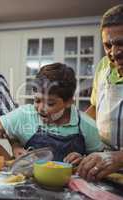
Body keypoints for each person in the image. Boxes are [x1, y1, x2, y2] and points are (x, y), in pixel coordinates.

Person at [0, 63, 103, 169]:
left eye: (50, 104)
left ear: (69, 102)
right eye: (37, 100)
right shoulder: (26, 114)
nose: (41, 109)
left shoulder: (86, 125)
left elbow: (99, 160)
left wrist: (85, 160)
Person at [78, 4, 123, 181]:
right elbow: (96, 109)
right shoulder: (104, 66)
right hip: (106, 167)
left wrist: (119, 158)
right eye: (107, 45)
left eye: (121, 43)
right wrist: (73, 131)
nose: (114, 53)